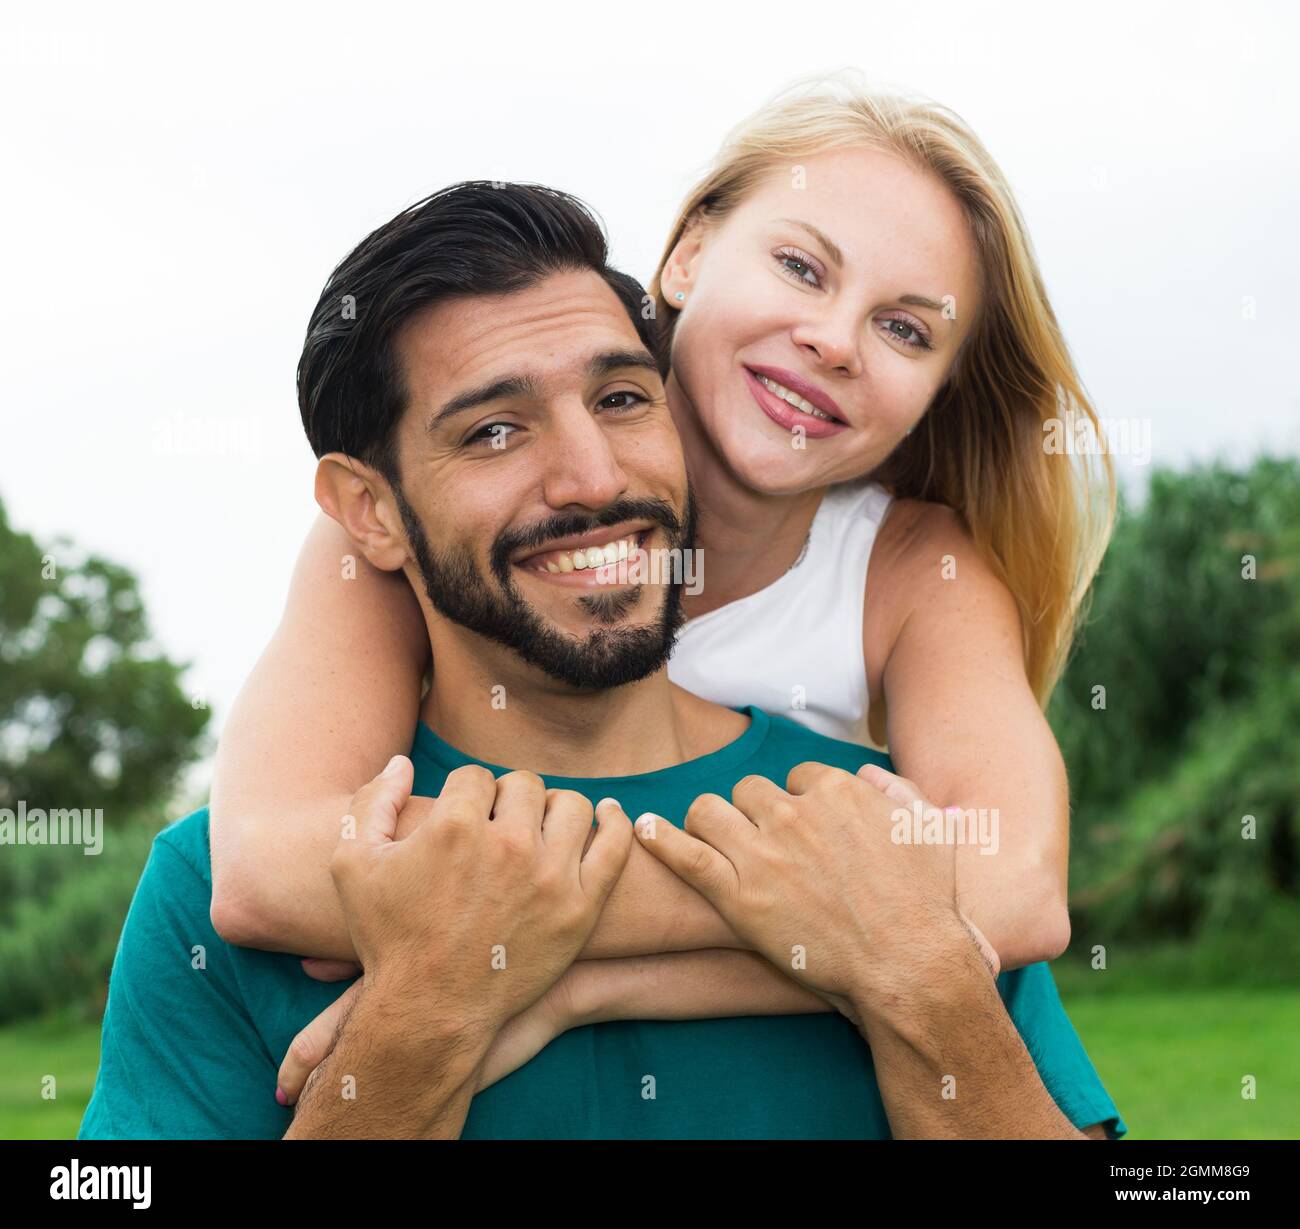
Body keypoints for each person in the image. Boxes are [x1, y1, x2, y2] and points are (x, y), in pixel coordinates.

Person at [80, 181, 1124, 1139]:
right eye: (493, 431)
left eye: (623, 399)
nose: (590, 476)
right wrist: (422, 1024)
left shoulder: (882, 842)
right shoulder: (213, 887)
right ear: (370, 511)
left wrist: (925, 981)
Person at [208, 74, 1115, 983]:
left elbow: (1016, 887)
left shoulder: (915, 568)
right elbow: (267, 863)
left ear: (938, 391)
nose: (836, 341)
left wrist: (565, 983)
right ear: (686, 256)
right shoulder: (441, 517)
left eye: (906, 330)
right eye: (801, 268)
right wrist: (819, 921)